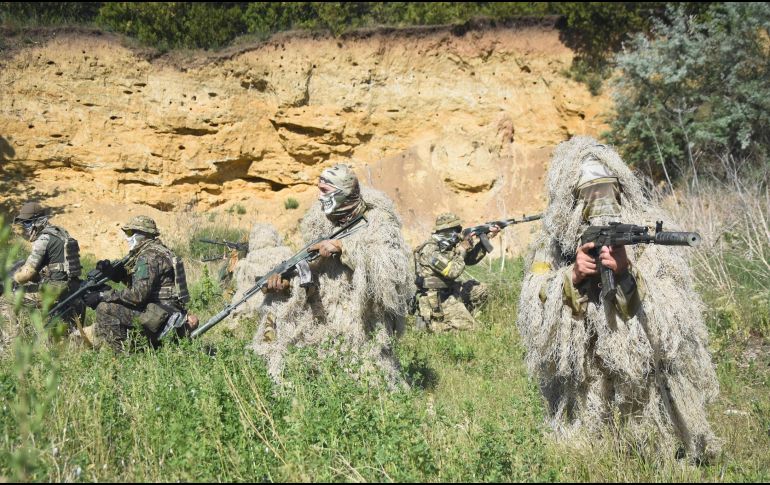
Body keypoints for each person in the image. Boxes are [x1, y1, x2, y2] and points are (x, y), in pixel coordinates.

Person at [516, 136, 719, 461]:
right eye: (586, 194)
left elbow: (674, 322)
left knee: (658, 452)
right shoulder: (552, 242)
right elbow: (534, 308)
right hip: (585, 380)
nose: (599, 202)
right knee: (582, 456)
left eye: (607, 189)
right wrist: (572, 277)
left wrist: (626, 273)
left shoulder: (648, 231)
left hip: (644, 381)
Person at [250, 163, 413, 384]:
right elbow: (314, 279)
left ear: (343, 191)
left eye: (325, 191)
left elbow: (392, 270)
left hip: (362, 320)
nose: (319, 197)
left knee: (368, 381)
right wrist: (286, 286)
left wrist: (344, 247)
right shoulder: (321, 225)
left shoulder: (378, 222)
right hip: (324, 315)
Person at [80, 216, 196, 350]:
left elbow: (137, 296)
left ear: (143, 234)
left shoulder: (148, 257)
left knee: (104, 308)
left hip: (161, 315)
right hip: (169, 309)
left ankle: (122, 356)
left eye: (130, 233)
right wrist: (117, 274)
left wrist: (102, 295)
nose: (126, 237)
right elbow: (147, 284)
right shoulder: (160, 251)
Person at [412, 212, 499, 332]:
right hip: (437, 299)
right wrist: (462, 249)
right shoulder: (430, 250)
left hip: (451, 291)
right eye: (455, 230)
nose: (458, 234)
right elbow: (453, 271)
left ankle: (462, 313)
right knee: (474, 331)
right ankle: (437, 325)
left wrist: (486, 238)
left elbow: (470, 260)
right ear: (445, 231)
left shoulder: (447, 246)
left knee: (481, 289)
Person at [11, 201, 84, 327]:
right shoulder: (60, 233)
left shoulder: (43, 239)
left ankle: (11, 339)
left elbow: (26, 274)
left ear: (38, 221)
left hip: (55, 291)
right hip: (73, 289)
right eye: (24, 223)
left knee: (7, 297)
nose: (26, 227)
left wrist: (10, 280)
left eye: (28, 223)